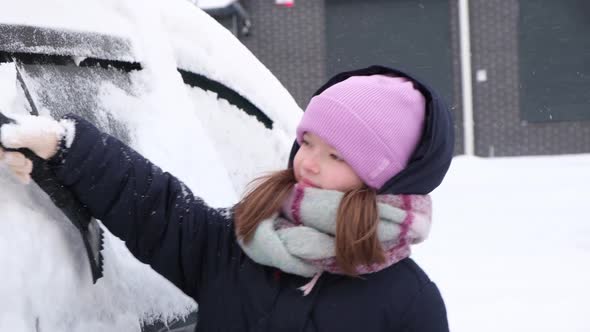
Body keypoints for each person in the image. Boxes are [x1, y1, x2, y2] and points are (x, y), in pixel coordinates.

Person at [0, 65, 454, 331]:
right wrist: (65, 145)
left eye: (335, 155)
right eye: (308, 141)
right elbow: (157, 209)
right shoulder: (246, 242)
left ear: (383, 179)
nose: (308, 162)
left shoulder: (409, 303)